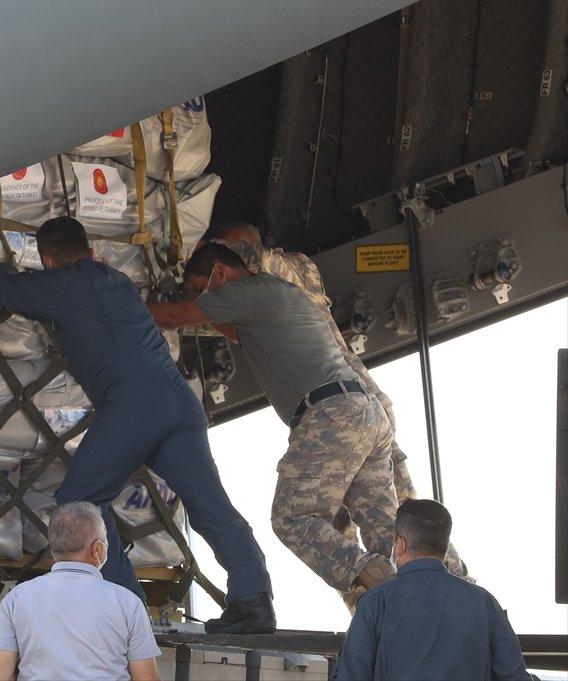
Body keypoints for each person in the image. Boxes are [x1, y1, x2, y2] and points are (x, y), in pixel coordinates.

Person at [0, 218, 275, 634]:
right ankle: (254, 599)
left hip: (135, 404)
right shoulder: (116, 280)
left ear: (48, 259)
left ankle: (123, 608)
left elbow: (4, 286)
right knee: (208, 504)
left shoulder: (60, 285)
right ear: (92, 252)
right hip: (179, 404)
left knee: (80, 500)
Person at [209, 222, 468, 607]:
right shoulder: (256, 303)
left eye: (226, 262)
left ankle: (458, 589)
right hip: (351, 413)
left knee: (396, 518)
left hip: (351, 408)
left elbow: (257, 264)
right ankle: (386, 612)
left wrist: (212, 255)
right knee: (364, 529)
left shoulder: (292, 270)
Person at [148, 242, 397, 602]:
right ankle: (420, 584)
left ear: (220, 272)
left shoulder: (245, 291)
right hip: (365, 414)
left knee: (292, 517)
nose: (202, 300)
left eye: (201, 290)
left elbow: (173, 317)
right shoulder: (277, 296)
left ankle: (368, 574)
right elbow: (226, 329)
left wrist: (116, 302)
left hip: (330, 415)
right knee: (381, 522)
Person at [335, 499, 531, 681]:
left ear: (400, 545)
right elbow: (514, 675)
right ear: (444, 548)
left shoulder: (375, 603)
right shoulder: (485, 603)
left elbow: (350, 675)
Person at [0, 502, 162, 681]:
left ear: (54, 546)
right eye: (107, 539)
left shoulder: (17, 598)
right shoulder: (128, 603)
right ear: (97, 548)